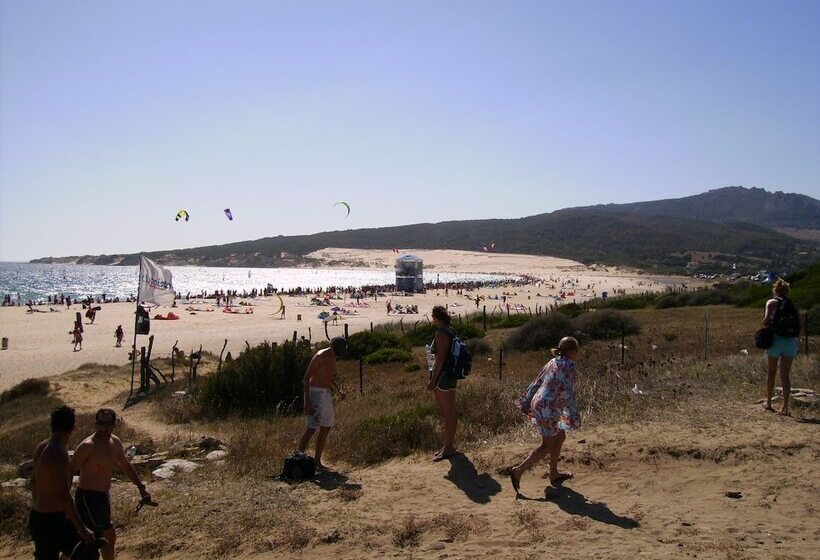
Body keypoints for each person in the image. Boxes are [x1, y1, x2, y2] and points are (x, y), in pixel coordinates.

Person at [72, 408, 152, 560]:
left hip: (103, 497)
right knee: (108, 535)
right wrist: (64, 501)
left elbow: (125, 465)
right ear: (96, 424)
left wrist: (141, 488)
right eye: (101, 423)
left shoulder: (115, 443)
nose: (104, 428)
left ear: (114, 424)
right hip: (87, 498)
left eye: (108, 424)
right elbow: (69, 471)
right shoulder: (87, 446)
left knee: (84, 540)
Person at [510, 336, 581, 499]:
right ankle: (517, 471)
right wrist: (572, 414)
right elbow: (568, 391)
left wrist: (527, 400)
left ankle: (554, 473)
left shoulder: (552, 361)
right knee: (546, 445)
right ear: (572, 351)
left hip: (541, 403)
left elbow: (537, 381)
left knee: (560, 436)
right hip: (549, 407)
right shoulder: (569, 365)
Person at [30, 406, 95, 559]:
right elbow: (64, 496)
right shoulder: (58, 453)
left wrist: (39, 504)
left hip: (42, 515)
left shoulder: (42, 446)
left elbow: (33, 482)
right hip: (50, 520)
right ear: (73, 427)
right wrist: (83, 530)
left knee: (82, 551)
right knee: (87, 549)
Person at [297, 337, 348, 471]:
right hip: (315, 393)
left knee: (326, 427)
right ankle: (298, 459)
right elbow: (307, 377)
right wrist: (307, 402)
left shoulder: (333, 357)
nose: (344, 351)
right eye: (342, 348)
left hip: (325, 394)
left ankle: (317, 461)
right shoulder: (321, 356)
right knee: (311, 428)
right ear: (334, 346)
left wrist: (338, 391)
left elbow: (328, 376)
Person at [762, 279, 800, 416]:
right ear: (787, 291)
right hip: (790, 342)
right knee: (785, 375)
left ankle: (769, 403)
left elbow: (765, 321)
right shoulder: (791, 305)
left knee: (771, 373)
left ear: (775, 290)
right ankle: (785, 408)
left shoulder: (771, 302)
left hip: (775, 341)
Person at [427, 305, 459, 462]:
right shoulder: (450, 330)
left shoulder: (441, 333)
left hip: (443, 377)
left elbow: (440, 359)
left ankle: (447, 449)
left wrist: (433, 381)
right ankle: (448, 446)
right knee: (450, 412)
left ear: (435, 317)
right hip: (450, 375)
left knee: (448, 414)